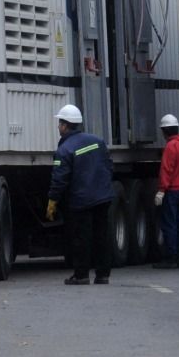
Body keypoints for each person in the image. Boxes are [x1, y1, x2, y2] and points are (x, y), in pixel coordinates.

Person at [46, 104, 116, 285]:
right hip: (103, 197)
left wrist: (53, 201)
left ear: (64, 125)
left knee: (81, 238)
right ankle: (103, 275)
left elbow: (59, 179)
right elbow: (109, 166)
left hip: (81, 201)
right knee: (102, 236)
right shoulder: (98, 141)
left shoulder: (64, 150)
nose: (58, 127)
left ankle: (81, 275)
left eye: (59, 123)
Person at [153, 114, 179, 269]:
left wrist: (161, 191)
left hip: (172, 191)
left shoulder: (171, 146)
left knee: (169, 224)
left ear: (164, 131)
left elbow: (166, 170)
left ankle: (170, 258)